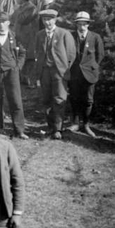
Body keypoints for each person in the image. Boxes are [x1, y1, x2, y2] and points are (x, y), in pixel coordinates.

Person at [35, 8, 76, 139]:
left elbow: (71, 54)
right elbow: (38, 52)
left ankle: (58, 128)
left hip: (59, 72)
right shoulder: (40, 35)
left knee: (59, 99)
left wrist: (64, 69)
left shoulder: (64, 34)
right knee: (46, 99)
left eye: (50, 19)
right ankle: (50, 127)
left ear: (55, 19)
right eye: (45, 20)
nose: (47, 22)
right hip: (44, 71)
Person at [68, 11, 105, 137]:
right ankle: (76, 123)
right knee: (74, 97)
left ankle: (86, 124)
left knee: (88, 100)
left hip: (90, 73)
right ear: (76, 24)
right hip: (74, 73)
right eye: (79, 24)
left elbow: (100, 55)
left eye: (84, 24)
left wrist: (92, 67)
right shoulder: (71, 36)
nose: (82, 27)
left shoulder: (95, 37)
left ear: (88, 24)